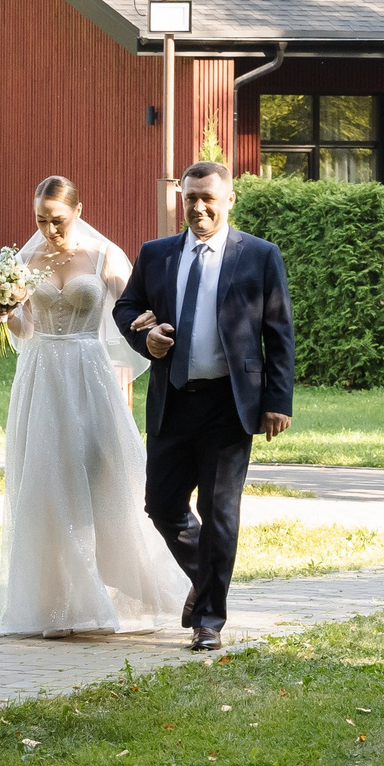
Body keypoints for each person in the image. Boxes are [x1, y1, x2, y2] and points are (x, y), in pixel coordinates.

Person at [111, 160, 295, 651]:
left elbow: (278, 334)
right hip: (173, 401)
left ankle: (209, 619)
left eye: (208, 198)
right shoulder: (157, 255)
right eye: (190, 198)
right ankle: (206, 578)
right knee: (163, 505)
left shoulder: (259, 255)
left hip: (230, 405)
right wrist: (144, 336)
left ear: (229, 199)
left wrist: (277, 400)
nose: (198, 207)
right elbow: (125, 308)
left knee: (218, 513)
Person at [0, 175, 188, 637]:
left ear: (78, 212)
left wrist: (152, 330)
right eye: (40, 220)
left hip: (88, 372)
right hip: (41, 374)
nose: (49, 230)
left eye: (57, 220)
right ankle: (55, 604)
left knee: (103, 476)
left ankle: (129, 586)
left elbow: (133, 311)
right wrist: (6, 308)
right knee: (45, 478)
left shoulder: (104, 256)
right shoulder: (24, 260)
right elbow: (25, 328)